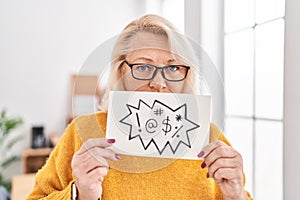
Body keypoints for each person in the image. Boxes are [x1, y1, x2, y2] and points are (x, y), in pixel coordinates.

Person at [27, 14, 252, 200]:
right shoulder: (82, 133)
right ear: (121, 72)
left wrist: (236, 195)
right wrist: (79, 193)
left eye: (173, 68)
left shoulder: (210, 140)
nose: (159, 83)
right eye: (143, 66)